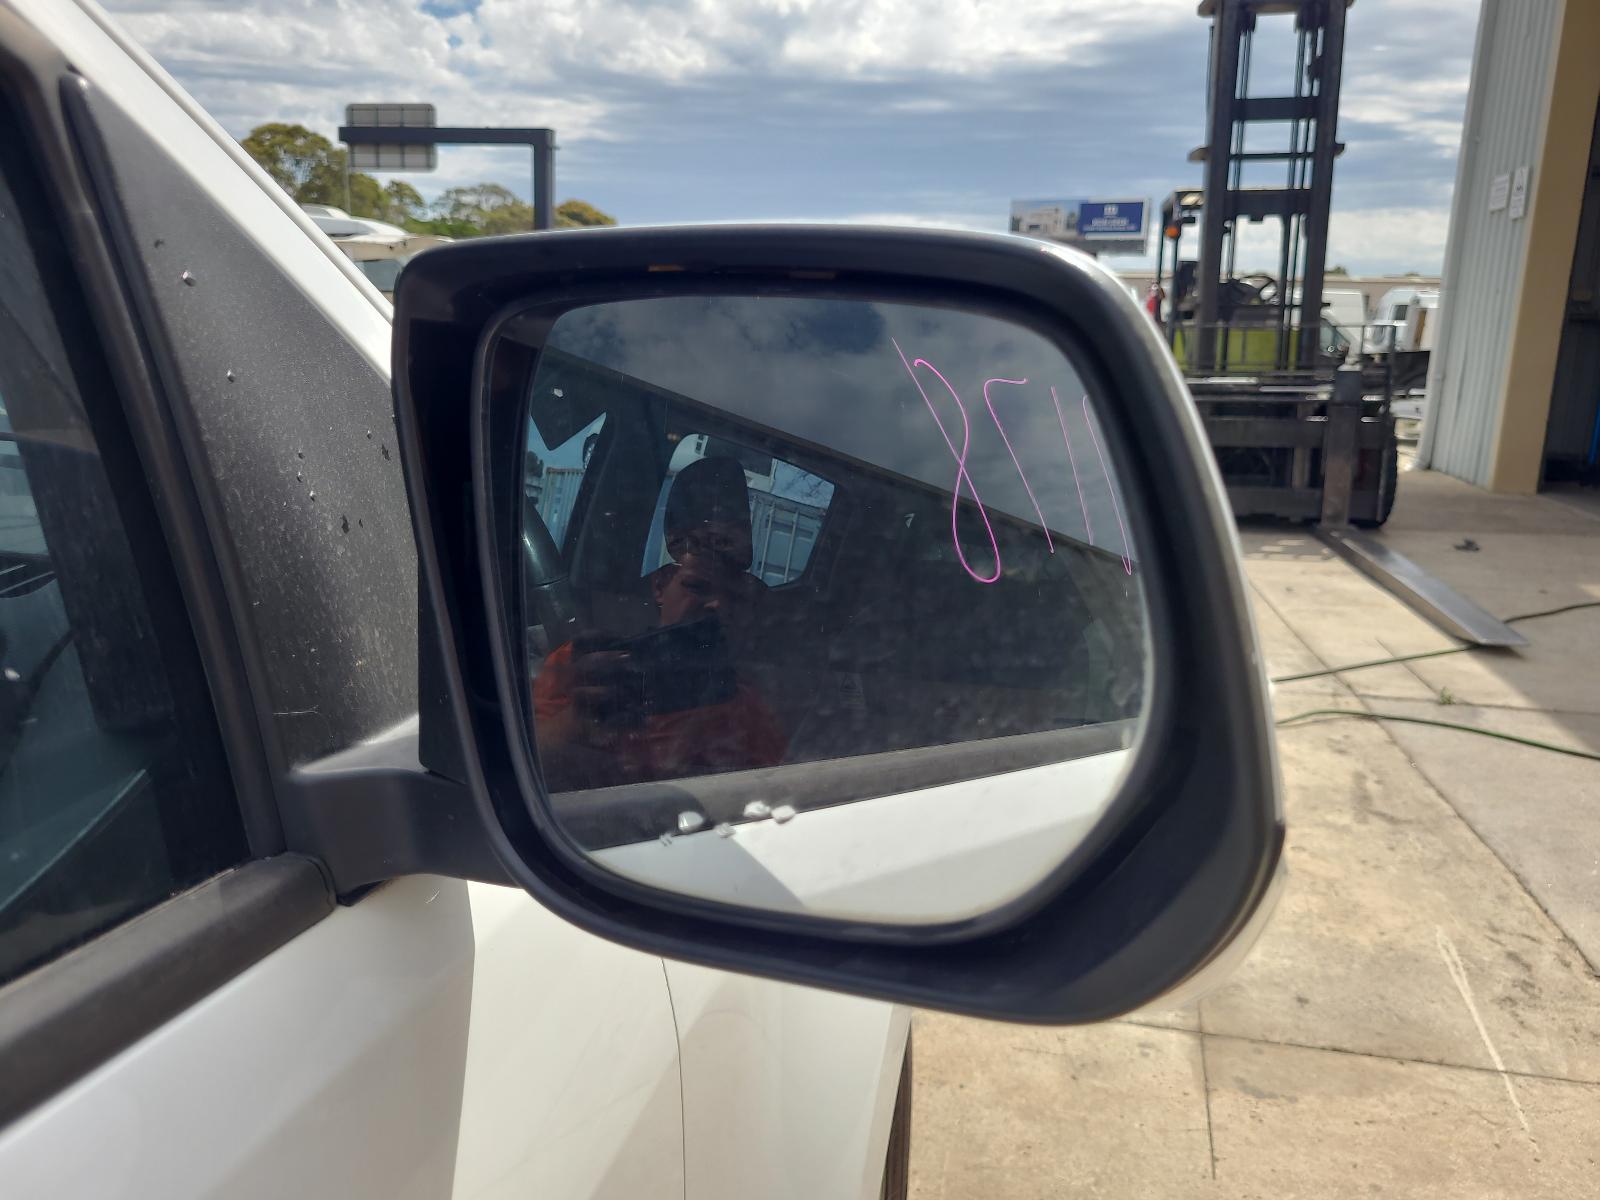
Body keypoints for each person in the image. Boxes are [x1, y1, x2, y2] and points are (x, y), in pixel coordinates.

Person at [532, 456, 786, 791]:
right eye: (697, 586)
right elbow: (519, 759)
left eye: (732, 597)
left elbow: (769, 795)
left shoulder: (746, 707)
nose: (716, 604)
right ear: (660, 586)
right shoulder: (588, 662)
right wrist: (577, 719)